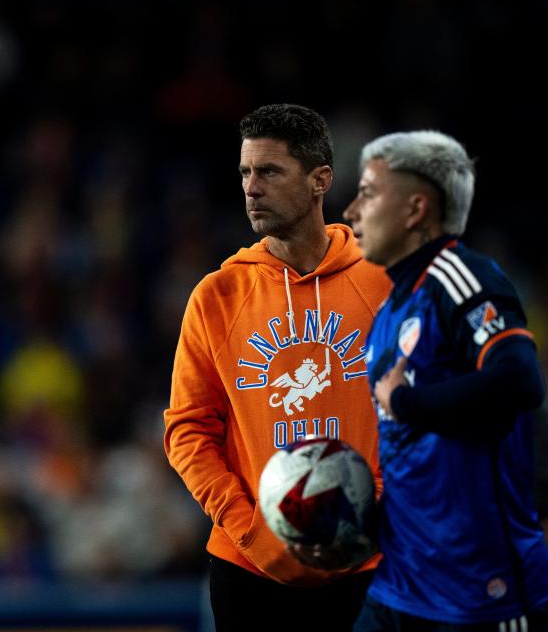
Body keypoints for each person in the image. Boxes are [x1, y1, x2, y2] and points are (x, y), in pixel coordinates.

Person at [163, 103, 391, 630]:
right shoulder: (217, 296)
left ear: (320, 181)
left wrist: (371, 519)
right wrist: (254, 535)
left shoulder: (385, 283)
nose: (251, 187)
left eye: (269, 171)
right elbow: (187, 433)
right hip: (251, 569)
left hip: (372, 562)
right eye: (245, 172)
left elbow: (419, 417)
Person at [341, 131, 548, 631]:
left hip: (482, 597)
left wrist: (406, 401)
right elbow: (410, 452)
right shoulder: (390, 310)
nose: (351, 210)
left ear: (416, 209)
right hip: (401, 587)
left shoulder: (462, 276)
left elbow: (520, 377)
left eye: (369, 192)